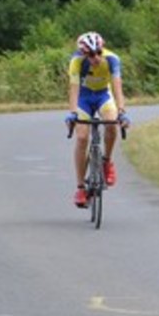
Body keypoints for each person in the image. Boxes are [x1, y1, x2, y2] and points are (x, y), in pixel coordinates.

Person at [65, 32, 129, 208]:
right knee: (82, 138)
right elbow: (74, 89)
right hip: (83, 98)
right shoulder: (76, 61)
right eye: (91, 55)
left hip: (103, 96)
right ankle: (80, 188)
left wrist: (122, 111)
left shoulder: (112, 59)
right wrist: (72, 113)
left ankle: (107, 161)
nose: (96, 58)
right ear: (84, 54)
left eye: (99, 52)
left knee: (111, 124)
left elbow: (117, 87)